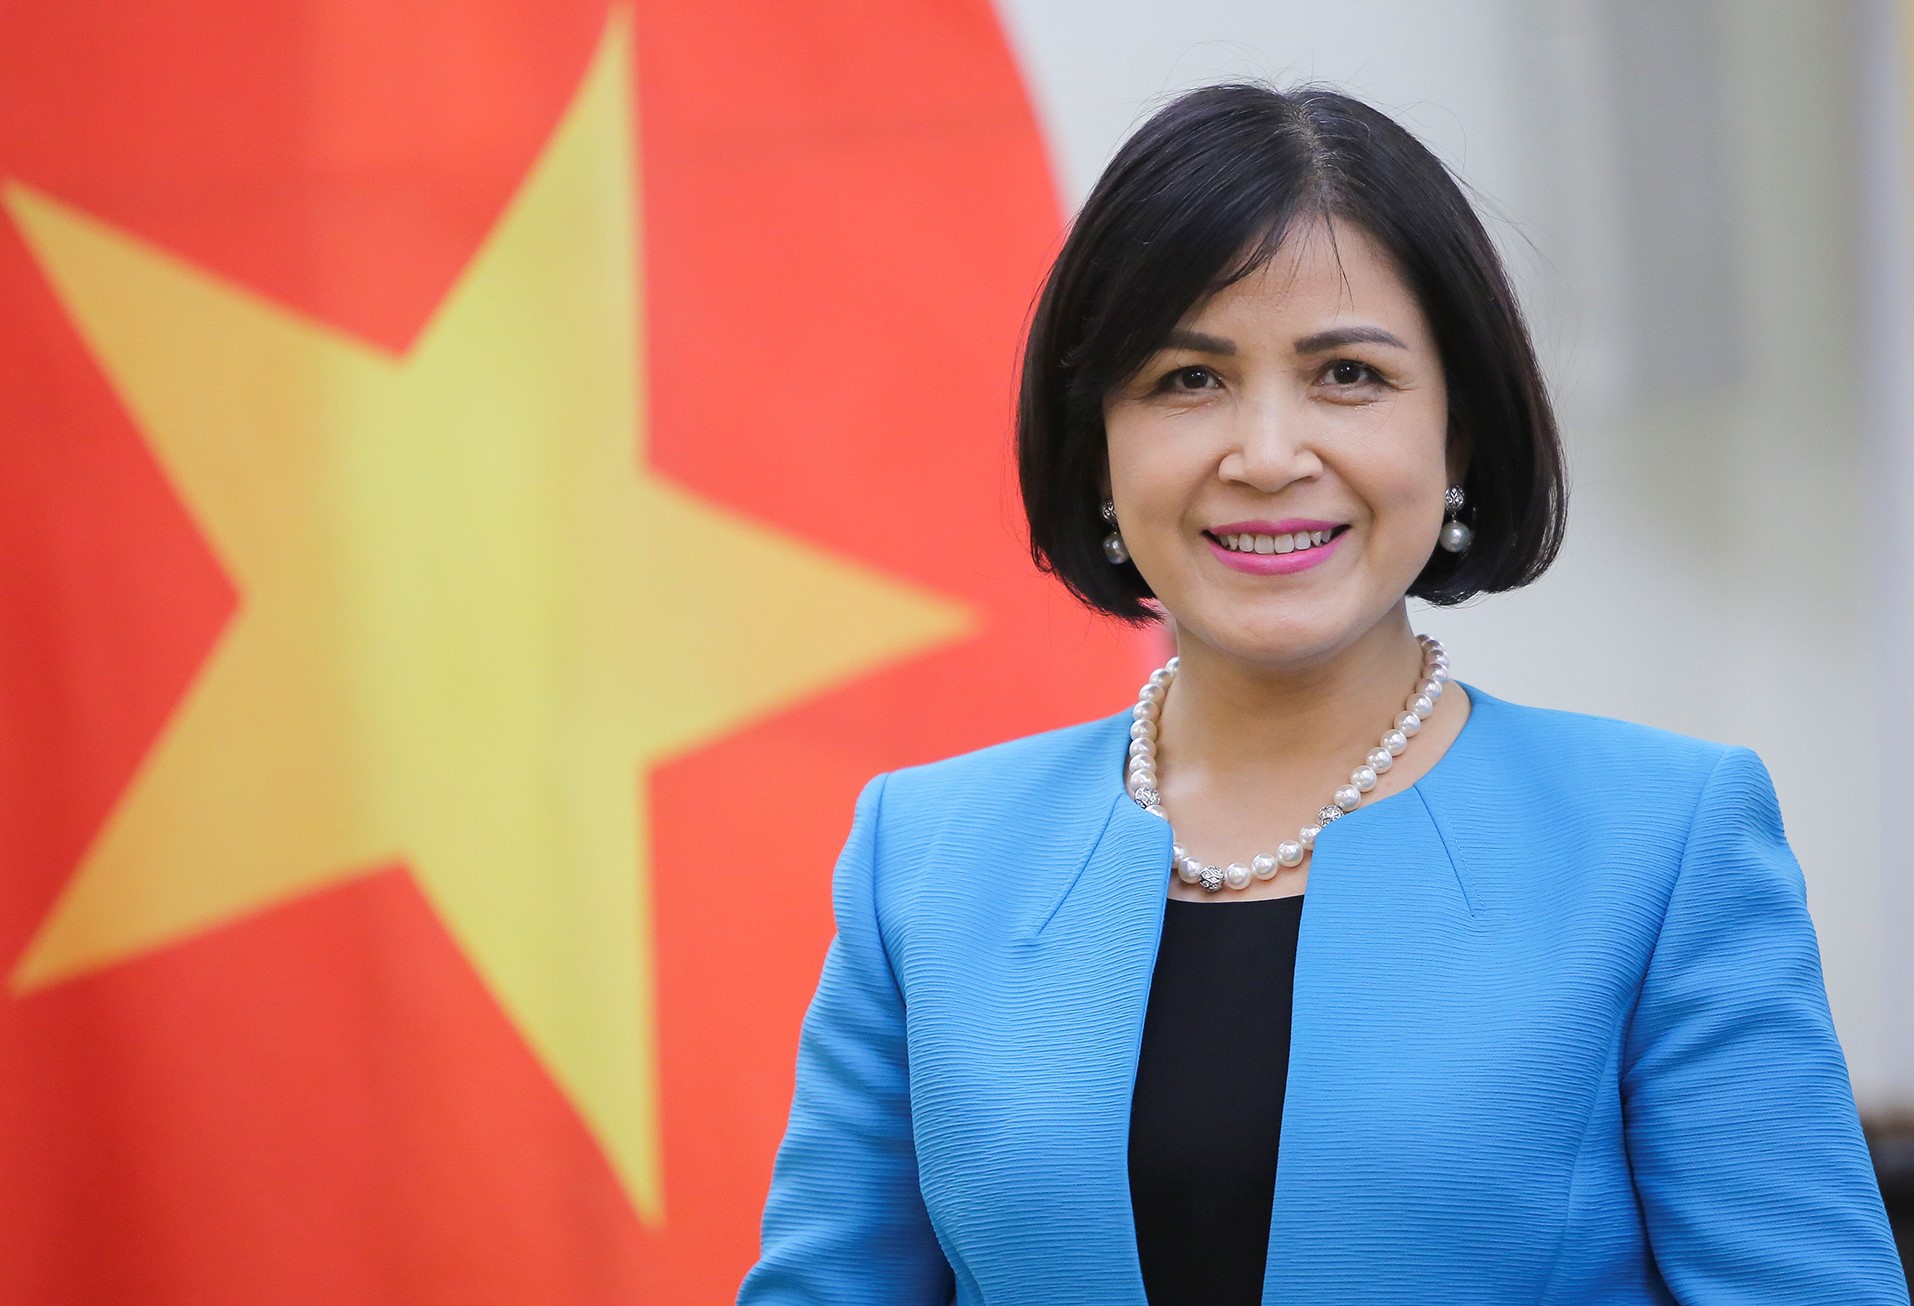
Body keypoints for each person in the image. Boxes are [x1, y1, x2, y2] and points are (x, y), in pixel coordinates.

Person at [737, 83, 1909, 1305]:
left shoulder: (1661, 844)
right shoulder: (925, 857)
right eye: (1188, 379)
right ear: (1099, 447)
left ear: (1459, 435)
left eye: (1347, 373)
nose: (1266, 455)